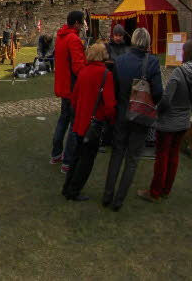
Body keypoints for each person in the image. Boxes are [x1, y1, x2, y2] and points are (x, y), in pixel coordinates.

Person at [102, 28, 163, 211]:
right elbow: (159, 92)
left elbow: (115, 88)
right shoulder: (152, 62)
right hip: (140, 115)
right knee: (132, 159)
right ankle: (118, 200)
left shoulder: (120, 61)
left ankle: (107, 195)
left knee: (117, 154)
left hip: (122, 113)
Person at [136, 39, 192, 203]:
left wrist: (157, 111)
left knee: (162, 156)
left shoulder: (179, 73)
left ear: (186, 53)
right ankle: (166, 189)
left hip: (169, 121)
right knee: (173, 156)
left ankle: (155, 192)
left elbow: (167, 99)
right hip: (183, 121)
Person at [61, 43, 117, 201]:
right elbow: (110, 105)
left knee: (76, 157)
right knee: (86, 161)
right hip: (93, 124)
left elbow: (74, 99)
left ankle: (67, 188)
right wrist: (109, 121)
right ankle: (73, 190)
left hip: (80, 122)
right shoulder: (105, 74)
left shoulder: (83, 71)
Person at [51, 11, 87, 173]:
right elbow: (78, 67)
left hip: (64, 86)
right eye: (82, 22)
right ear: (77, 23)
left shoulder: (61, 37)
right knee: (73, 124)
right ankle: (68, 160)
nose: (84, 25)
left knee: (63, 120)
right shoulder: (73, 39)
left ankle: (56, 153)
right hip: (72, 88)